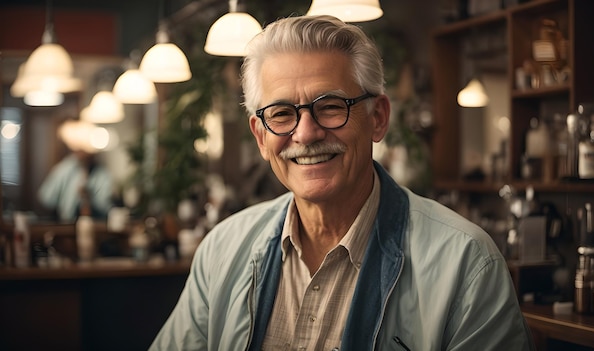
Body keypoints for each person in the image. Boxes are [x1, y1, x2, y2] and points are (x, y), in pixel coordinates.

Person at [150, 15, 534, 350]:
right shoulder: (221, 251)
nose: (306, 133)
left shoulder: (466, 265)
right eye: (282, 114)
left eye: (331, 107)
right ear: (260, 136)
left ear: (379, 117)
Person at [38, 120, 113, 221]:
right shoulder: (65, 168)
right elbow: (46, 198)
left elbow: (106, 207)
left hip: (95, 225)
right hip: (66, 225)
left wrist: (89, 198)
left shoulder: (101, 173)